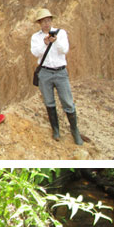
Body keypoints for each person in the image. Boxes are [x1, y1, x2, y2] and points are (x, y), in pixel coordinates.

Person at [31, 8, 83, 145]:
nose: (46, 24)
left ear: (51, 21)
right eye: (43, 21)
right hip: (45, 72)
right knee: (49, 101)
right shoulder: (36, 37)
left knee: (67, 102)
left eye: (48, 20)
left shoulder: (61, 33)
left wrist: (55, 40)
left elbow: (64, 50)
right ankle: (56, 130)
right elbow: (35, 53)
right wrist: (45, 43)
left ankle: (75, 131)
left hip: (60, 72)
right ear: (39, 23)